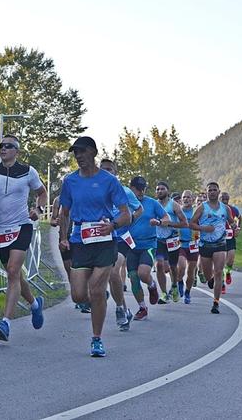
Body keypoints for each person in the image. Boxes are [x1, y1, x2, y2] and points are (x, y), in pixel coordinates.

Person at [59, 136, 131, 357]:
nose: (78, 156)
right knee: (79, 296)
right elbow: (64, 213)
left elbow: (125, 214)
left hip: (104, 241)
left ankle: (97, 339)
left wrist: (113, 225)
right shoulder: (70, 181)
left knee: (97, 290)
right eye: (75, 153)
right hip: (80, 240)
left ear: (93, 152)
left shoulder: (109, 181)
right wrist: (63, 237)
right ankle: (100, 300)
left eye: (82, 151)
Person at [0, 134, 48, 341]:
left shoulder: (28, 172)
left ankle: (5, 323)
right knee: (15, 275)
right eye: (0, 146)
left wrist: (38, 209)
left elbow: (42, 192)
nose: (3, 149)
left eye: (8, 146)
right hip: (1, 229)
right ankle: (34, 304)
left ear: (17, 151)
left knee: (13, 271)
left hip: (22, 225)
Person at [99, 159, 143, 331]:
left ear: (115, 172)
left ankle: (119, 309)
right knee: (106, 276)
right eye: (103, 169)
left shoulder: (124, 191)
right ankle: (124, 309)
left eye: (110, 169)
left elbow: (140, 209)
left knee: (113, 271)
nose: (107, 172)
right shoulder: (96, 191)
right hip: (103, 238)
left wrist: (130, 219)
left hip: (122, 237)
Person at [126, 176, 168, 320]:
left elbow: (167, 218)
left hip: (149, 244)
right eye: (137, 188)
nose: (141, 191)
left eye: (143, 188)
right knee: (133, 277)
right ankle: (142, 308)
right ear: (131, 188)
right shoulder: (125, 203)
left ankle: (151, 284)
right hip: (130, 245)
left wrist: (158, 221)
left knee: (143, 273)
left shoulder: (152, 203)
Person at [189, 182, 233, 314]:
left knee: (219, 272)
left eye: (214, 190)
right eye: (210, 190)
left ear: (219, 192)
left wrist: (235, 227)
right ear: (207, 192)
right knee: (209, 275)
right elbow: (191, 224)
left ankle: (216, 303)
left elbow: (231, 221)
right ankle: (210, 279)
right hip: (205, 245)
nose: (212, 192)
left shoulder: (225, 208)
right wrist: (204, 228)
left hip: (220, 244)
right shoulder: (202, 208)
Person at [154, 181, 188, 303]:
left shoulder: (174, 205)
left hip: (172, 239)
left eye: (162, 189)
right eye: (157, 189)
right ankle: (163, 293)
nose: (159, 191)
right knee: (159, 265)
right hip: (158, 239)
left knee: (173, 267)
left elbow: (185, 223)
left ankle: (174, 286)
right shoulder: (154, 204)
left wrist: (169, 224)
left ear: (167, 191)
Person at [178, 190, 199, 304]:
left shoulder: (196, 212)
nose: (186, 199)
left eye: (188, 197)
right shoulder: (178, 211)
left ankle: (187, 292)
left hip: (193, 244)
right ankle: (180, 281)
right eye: (184, 197)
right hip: (180, 243)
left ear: (192, 199)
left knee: (191, 272)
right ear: (181, 199)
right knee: (181, 266)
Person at [220, 191, 242, 294]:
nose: (224, 200)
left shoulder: (232, 209)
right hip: (219, 238)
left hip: (230, 237)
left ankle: (228, 272)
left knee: (230, 260)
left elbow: (240, 217)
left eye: (226, 198)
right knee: (221, 262)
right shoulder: (216, 209)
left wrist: (238, 228)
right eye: (222, 198)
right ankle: (222, 284)